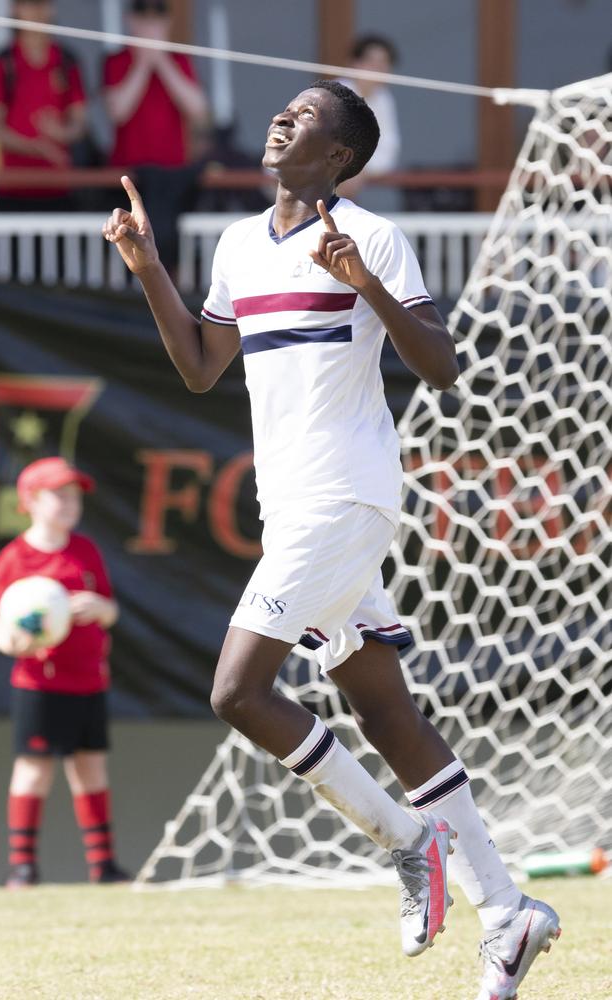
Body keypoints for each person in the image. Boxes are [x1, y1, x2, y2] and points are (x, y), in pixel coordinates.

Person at [102, 80, 560, 997]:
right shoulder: (237, 243)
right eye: (286, 109)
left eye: (305, 116)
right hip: (294, 506)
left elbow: (441, 365)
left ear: (339, 158)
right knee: (386, 712)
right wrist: (150, 266)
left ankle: (406, 840)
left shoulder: (373, 237)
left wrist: (368, 287)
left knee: (238, 690)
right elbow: (199, 369)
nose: (282, 119)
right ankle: (508, 913)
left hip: (344, 501)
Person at [0, 457, 128, 888]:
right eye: (57, 495)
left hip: (88, 679)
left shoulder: (85, 551)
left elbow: (110, 609)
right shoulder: (14, 558)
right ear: (30, 501)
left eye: (74, 496)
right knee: (34, 767)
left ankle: (104, 865)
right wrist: (7, 639)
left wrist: (101, 610)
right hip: (38, 683)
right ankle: (22, 867)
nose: (68, 504)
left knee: (90, 767)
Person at [103, 0, 210, 270]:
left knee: (166, 249)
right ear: (130, 20)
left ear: (167, 22)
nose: (150, 23)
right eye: (142, 15)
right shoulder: (117, 61)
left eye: (157, 15)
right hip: (129, 176)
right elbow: (119, 110)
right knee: (127, 244)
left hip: (172, 178)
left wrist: (160, 60)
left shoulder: (178, 60)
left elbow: (198, 110)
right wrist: (142, 63)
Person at [0, 0, 87, 212]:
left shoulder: (66, 61)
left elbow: (80, 122)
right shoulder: (2, 63)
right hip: (11, 188)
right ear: (15, 9)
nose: (37, 10)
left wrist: (63, 133)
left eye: (42, 3)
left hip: (60, 188)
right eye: (29, 3)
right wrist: (36, 147)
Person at [337, 35, 401, 202]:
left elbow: (388, 149)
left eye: (384, 64)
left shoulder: (384, 99)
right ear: (355, 63)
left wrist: (361, 170)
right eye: (372, 62)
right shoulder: (335, 94)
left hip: (349, 187)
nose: (378, 69)